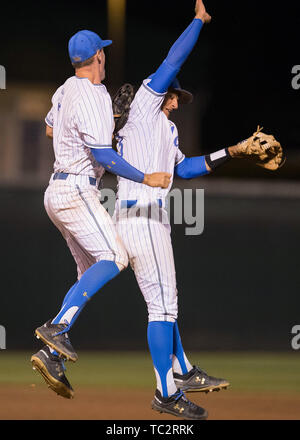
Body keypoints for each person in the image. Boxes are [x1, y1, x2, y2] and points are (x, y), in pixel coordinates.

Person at [31, 29, 171, 400]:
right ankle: (57, 327)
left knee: (89, 271)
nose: (104, 58)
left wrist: (97, 125)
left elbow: (49, 129)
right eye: (103, 53)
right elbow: (106, 158)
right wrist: (146, 176)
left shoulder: (64, 89)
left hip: (56, 190)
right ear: (98, 57)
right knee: (114, 256)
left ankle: (51, 352)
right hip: (77, 189)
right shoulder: (93, 94)